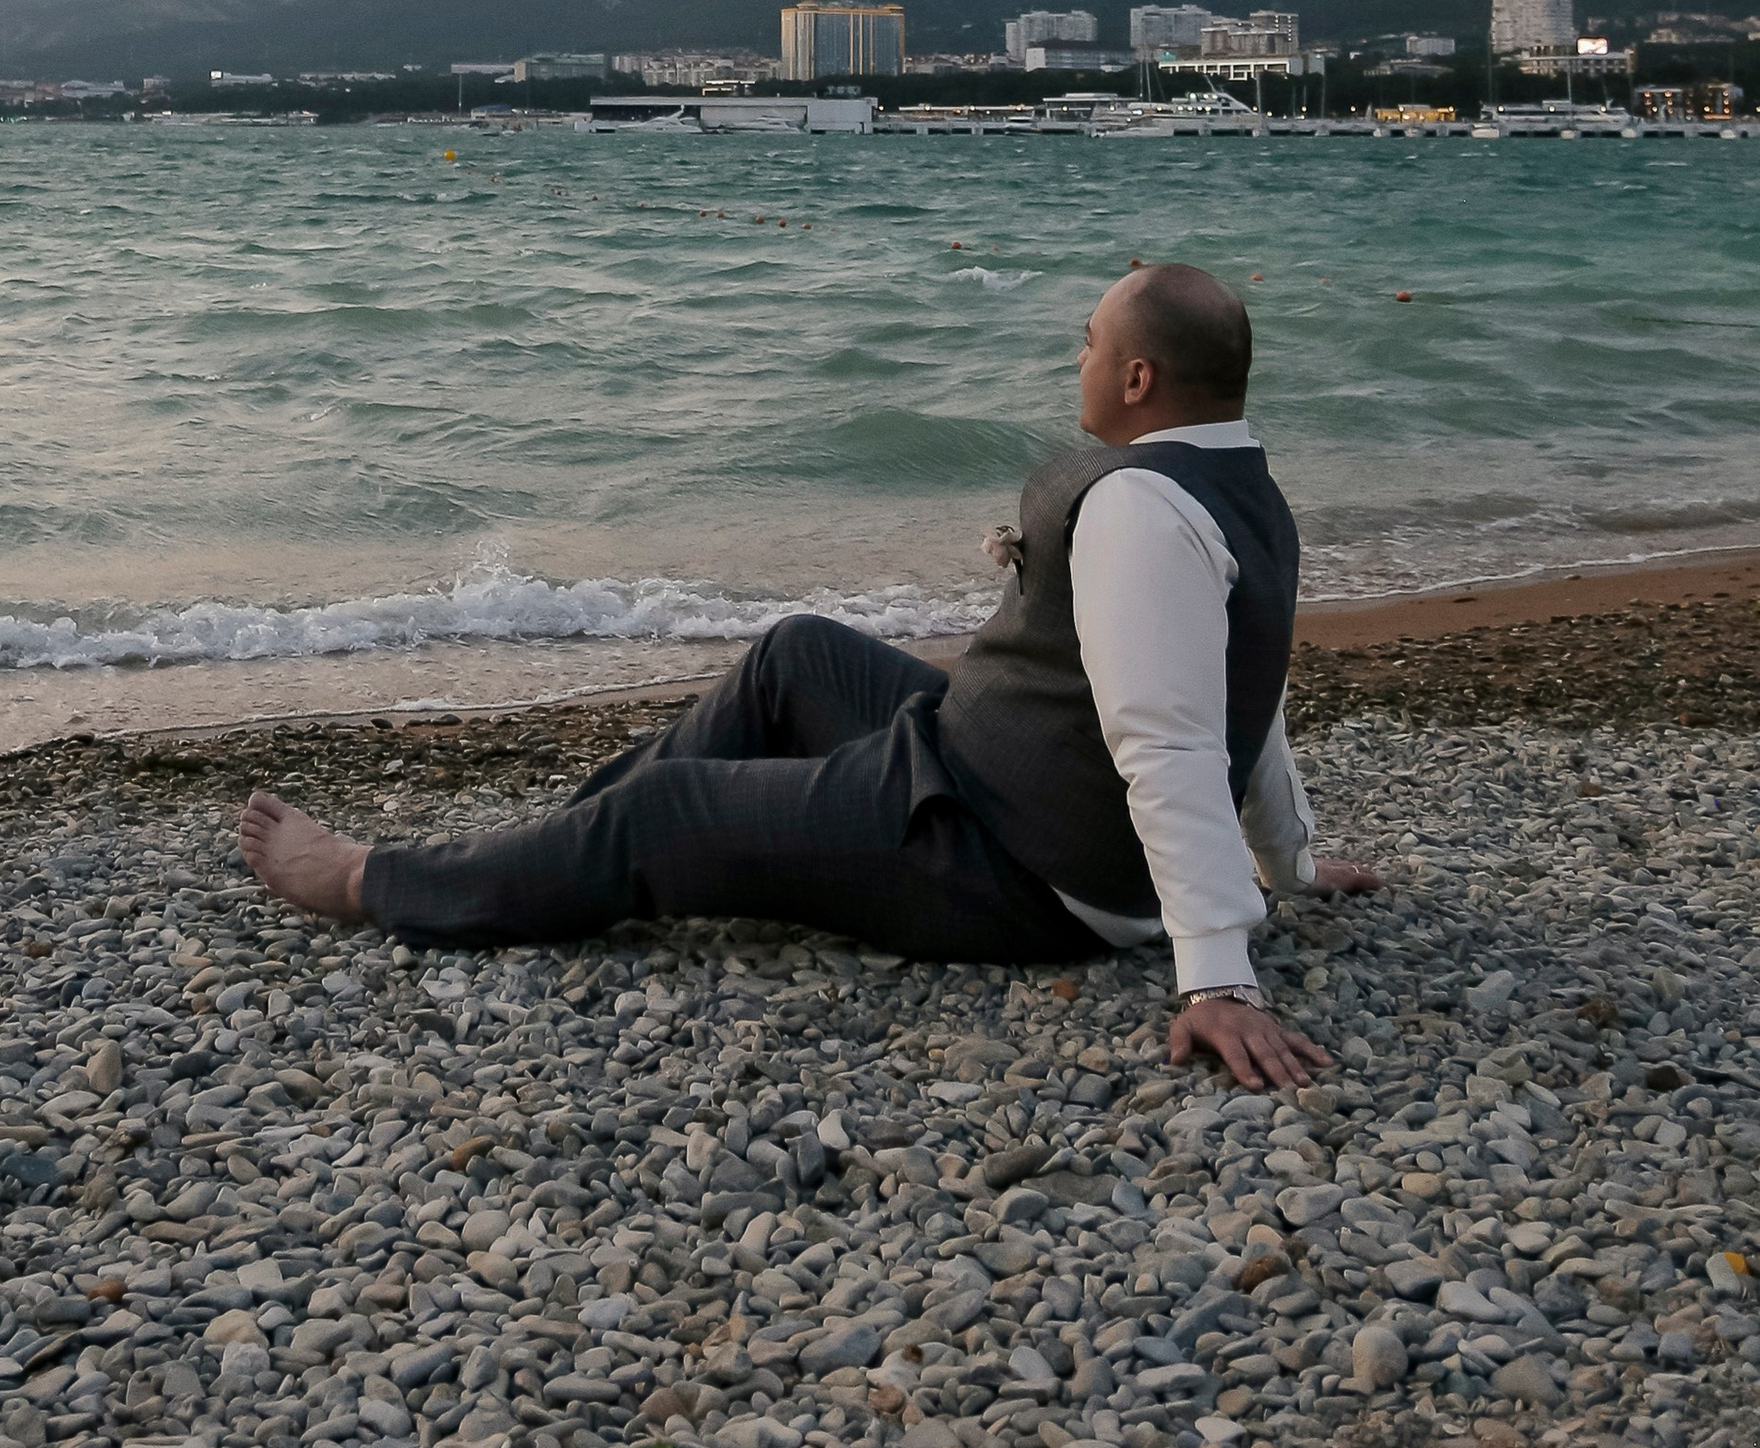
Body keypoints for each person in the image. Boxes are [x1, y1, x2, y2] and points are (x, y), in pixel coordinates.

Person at [238, 259, 1379, 1090]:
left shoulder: (1142, 505)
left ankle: (373, 881)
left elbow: (1174, 736)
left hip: (1015, 862)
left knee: (673, 810)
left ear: (1135, 377)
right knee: (798, 653)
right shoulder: (1242, 493)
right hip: (991, 764)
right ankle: (551, 857)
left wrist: (1218, 976)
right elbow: (1249, 692)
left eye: (1085, 343)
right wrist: (1291, 860)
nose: (1071, 361)